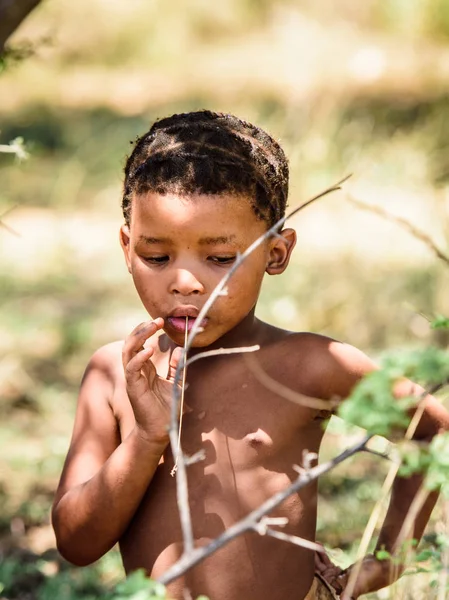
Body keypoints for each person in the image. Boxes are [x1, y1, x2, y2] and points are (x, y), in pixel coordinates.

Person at [52, 110, 449, 600]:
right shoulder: (114, 372)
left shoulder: (308, 364)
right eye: (157, 256)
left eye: (220, 259)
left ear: (276, 254)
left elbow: (432, 432)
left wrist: (393, 555)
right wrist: (148, 438)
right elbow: (75, 542)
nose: (185, 282)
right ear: (127, 246)